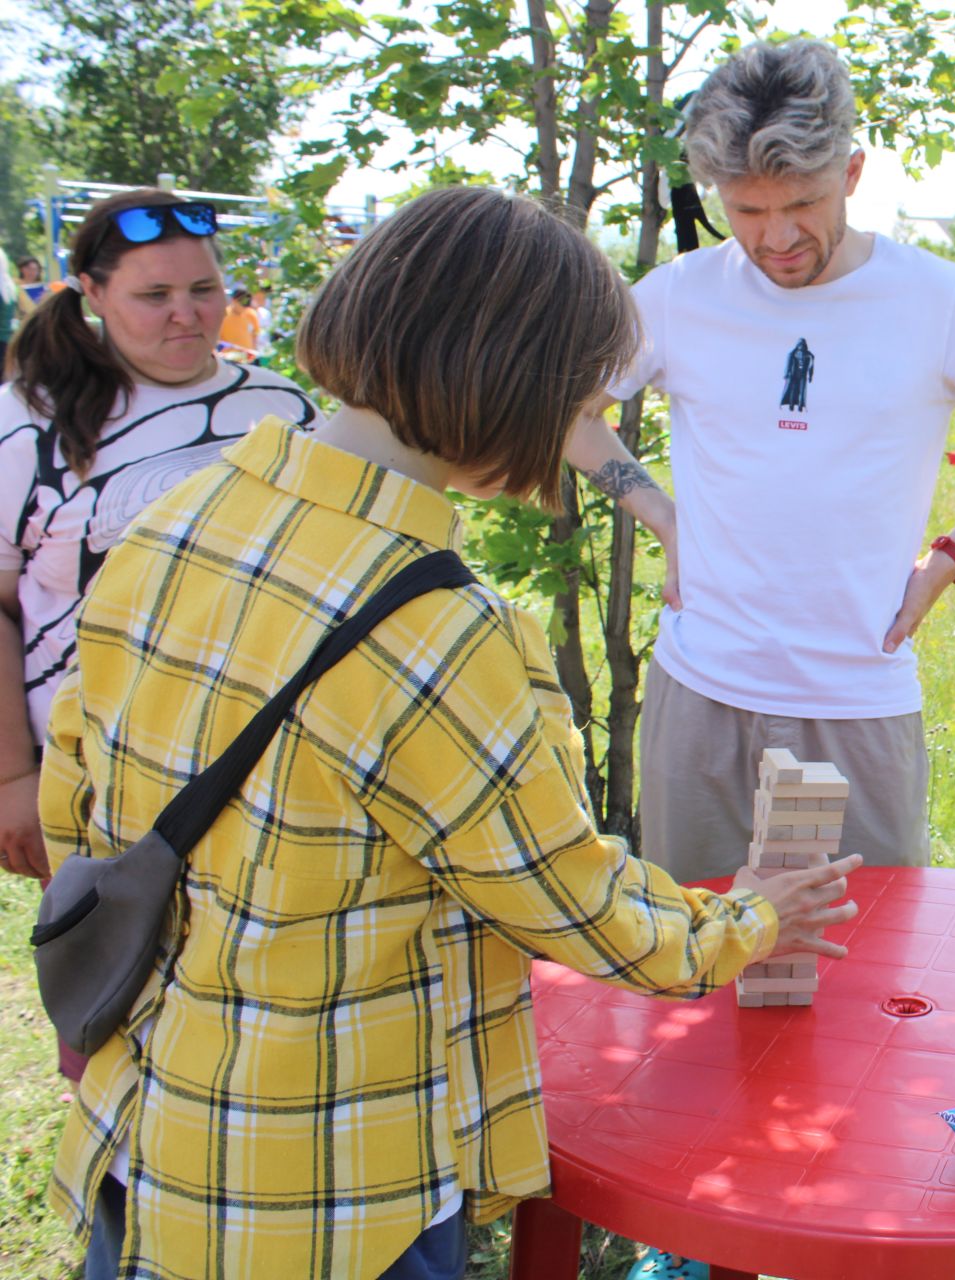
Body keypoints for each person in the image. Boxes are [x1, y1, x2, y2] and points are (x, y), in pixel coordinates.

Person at [43, 184, 861, 1279]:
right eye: (580, 401)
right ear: (511, 385)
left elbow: (79, 798)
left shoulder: (177, 518)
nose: (588, 433)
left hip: (145, 1141)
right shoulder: (434, 628)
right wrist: (751, 913)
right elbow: (575, 903)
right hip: (331, 1195)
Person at [567, 38, 955, 883]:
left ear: (851, 172)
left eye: (801, 204)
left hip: (859, 700)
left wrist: (951, 556)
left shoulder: (938, 299)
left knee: (867, 964)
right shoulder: (677, 296)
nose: (775, 238)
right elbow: (570, 414)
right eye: (745, 210)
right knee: (695, 966)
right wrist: (665, 518)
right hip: (701, 695)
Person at [0, 191, 317, 914]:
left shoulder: (283, 409)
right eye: (155, 295)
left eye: (204, 289)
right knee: (106, 1001)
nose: (188, 313)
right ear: (92, 294)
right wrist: (12, 778)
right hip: (91, 774)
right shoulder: (26, 422)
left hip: (257, 768)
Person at [218, 285, 261, 361]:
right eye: (242, 305)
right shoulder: (223, 315)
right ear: (234, 300)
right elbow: (217, 340)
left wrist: (253, 351)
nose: (244, 308)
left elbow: (255, 334)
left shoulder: (251, 314)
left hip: (247, 359)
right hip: (229, 359)